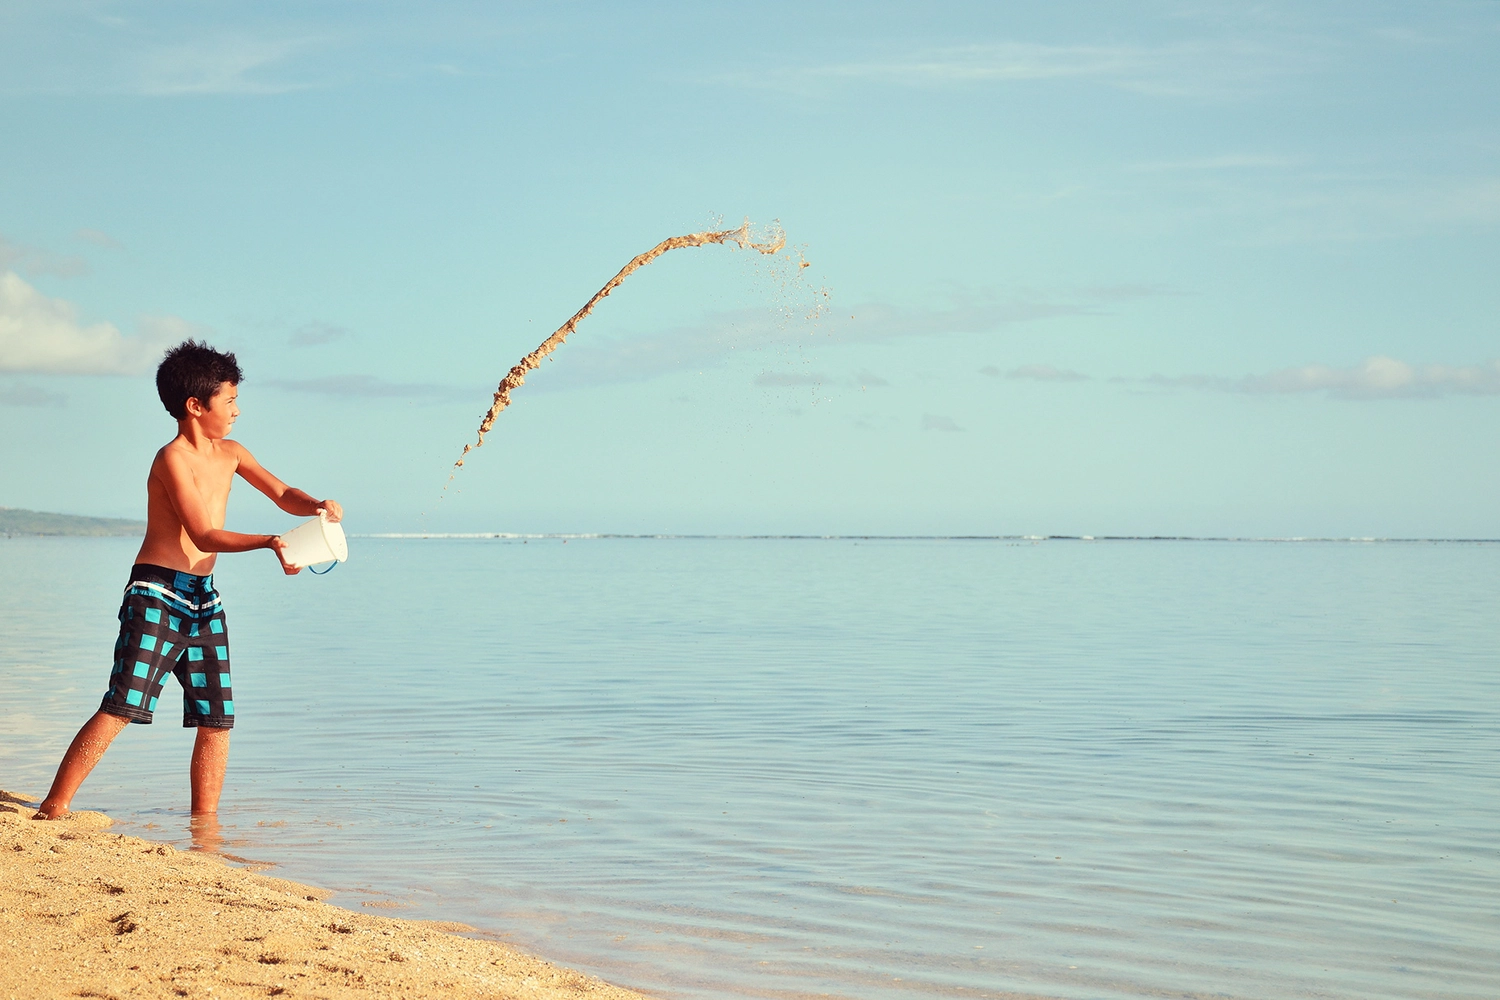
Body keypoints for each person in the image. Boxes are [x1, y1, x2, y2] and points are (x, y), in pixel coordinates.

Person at [33, 340, 342, 822]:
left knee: (216, 718)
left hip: (203, 598)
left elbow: (282, 493)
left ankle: (205, 826)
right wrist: (268, 543)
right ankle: (54, 806)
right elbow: (202, 532)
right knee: (123, 705)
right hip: (156, 593)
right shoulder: (171, 459)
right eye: (230, 400)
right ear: (196, 406)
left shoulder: (232, 452)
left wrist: (318, 504)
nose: (238, 410)